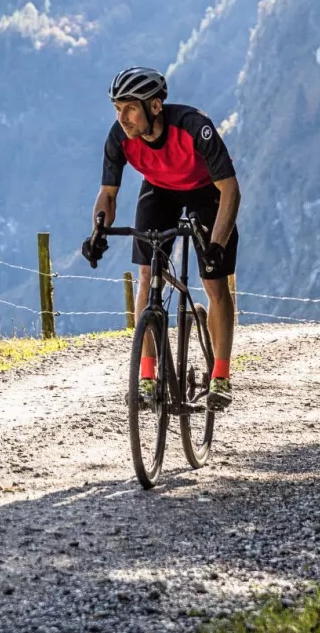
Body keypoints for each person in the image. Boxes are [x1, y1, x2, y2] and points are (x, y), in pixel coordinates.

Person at [81, 66, 239, 409]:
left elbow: (230, 189)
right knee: (146, 277)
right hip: (159, 190)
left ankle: (221, 378)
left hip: (206, 191)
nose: (122, 118)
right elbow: (108, 193)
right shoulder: (120, 138)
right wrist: (97, 232)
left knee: (214, 283)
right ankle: (148, 377)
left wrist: (217, 244)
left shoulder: (194, 127)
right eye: (117, 108)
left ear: (154, 106)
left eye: (130, 108)